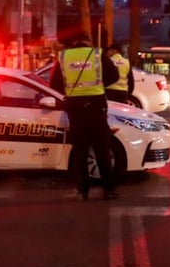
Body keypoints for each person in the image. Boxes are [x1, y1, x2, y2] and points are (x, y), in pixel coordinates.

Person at [50, 31, 119, 200]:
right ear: (87, 41)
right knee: (102, 149)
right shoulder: (97, 54)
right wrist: (99, 86)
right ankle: (108, 190)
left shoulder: (63, 57)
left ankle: (83, 191)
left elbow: (54, 84)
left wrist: (71, 91)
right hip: (96, 107)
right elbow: (114, 76)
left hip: (75, 108)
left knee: (80, 152)